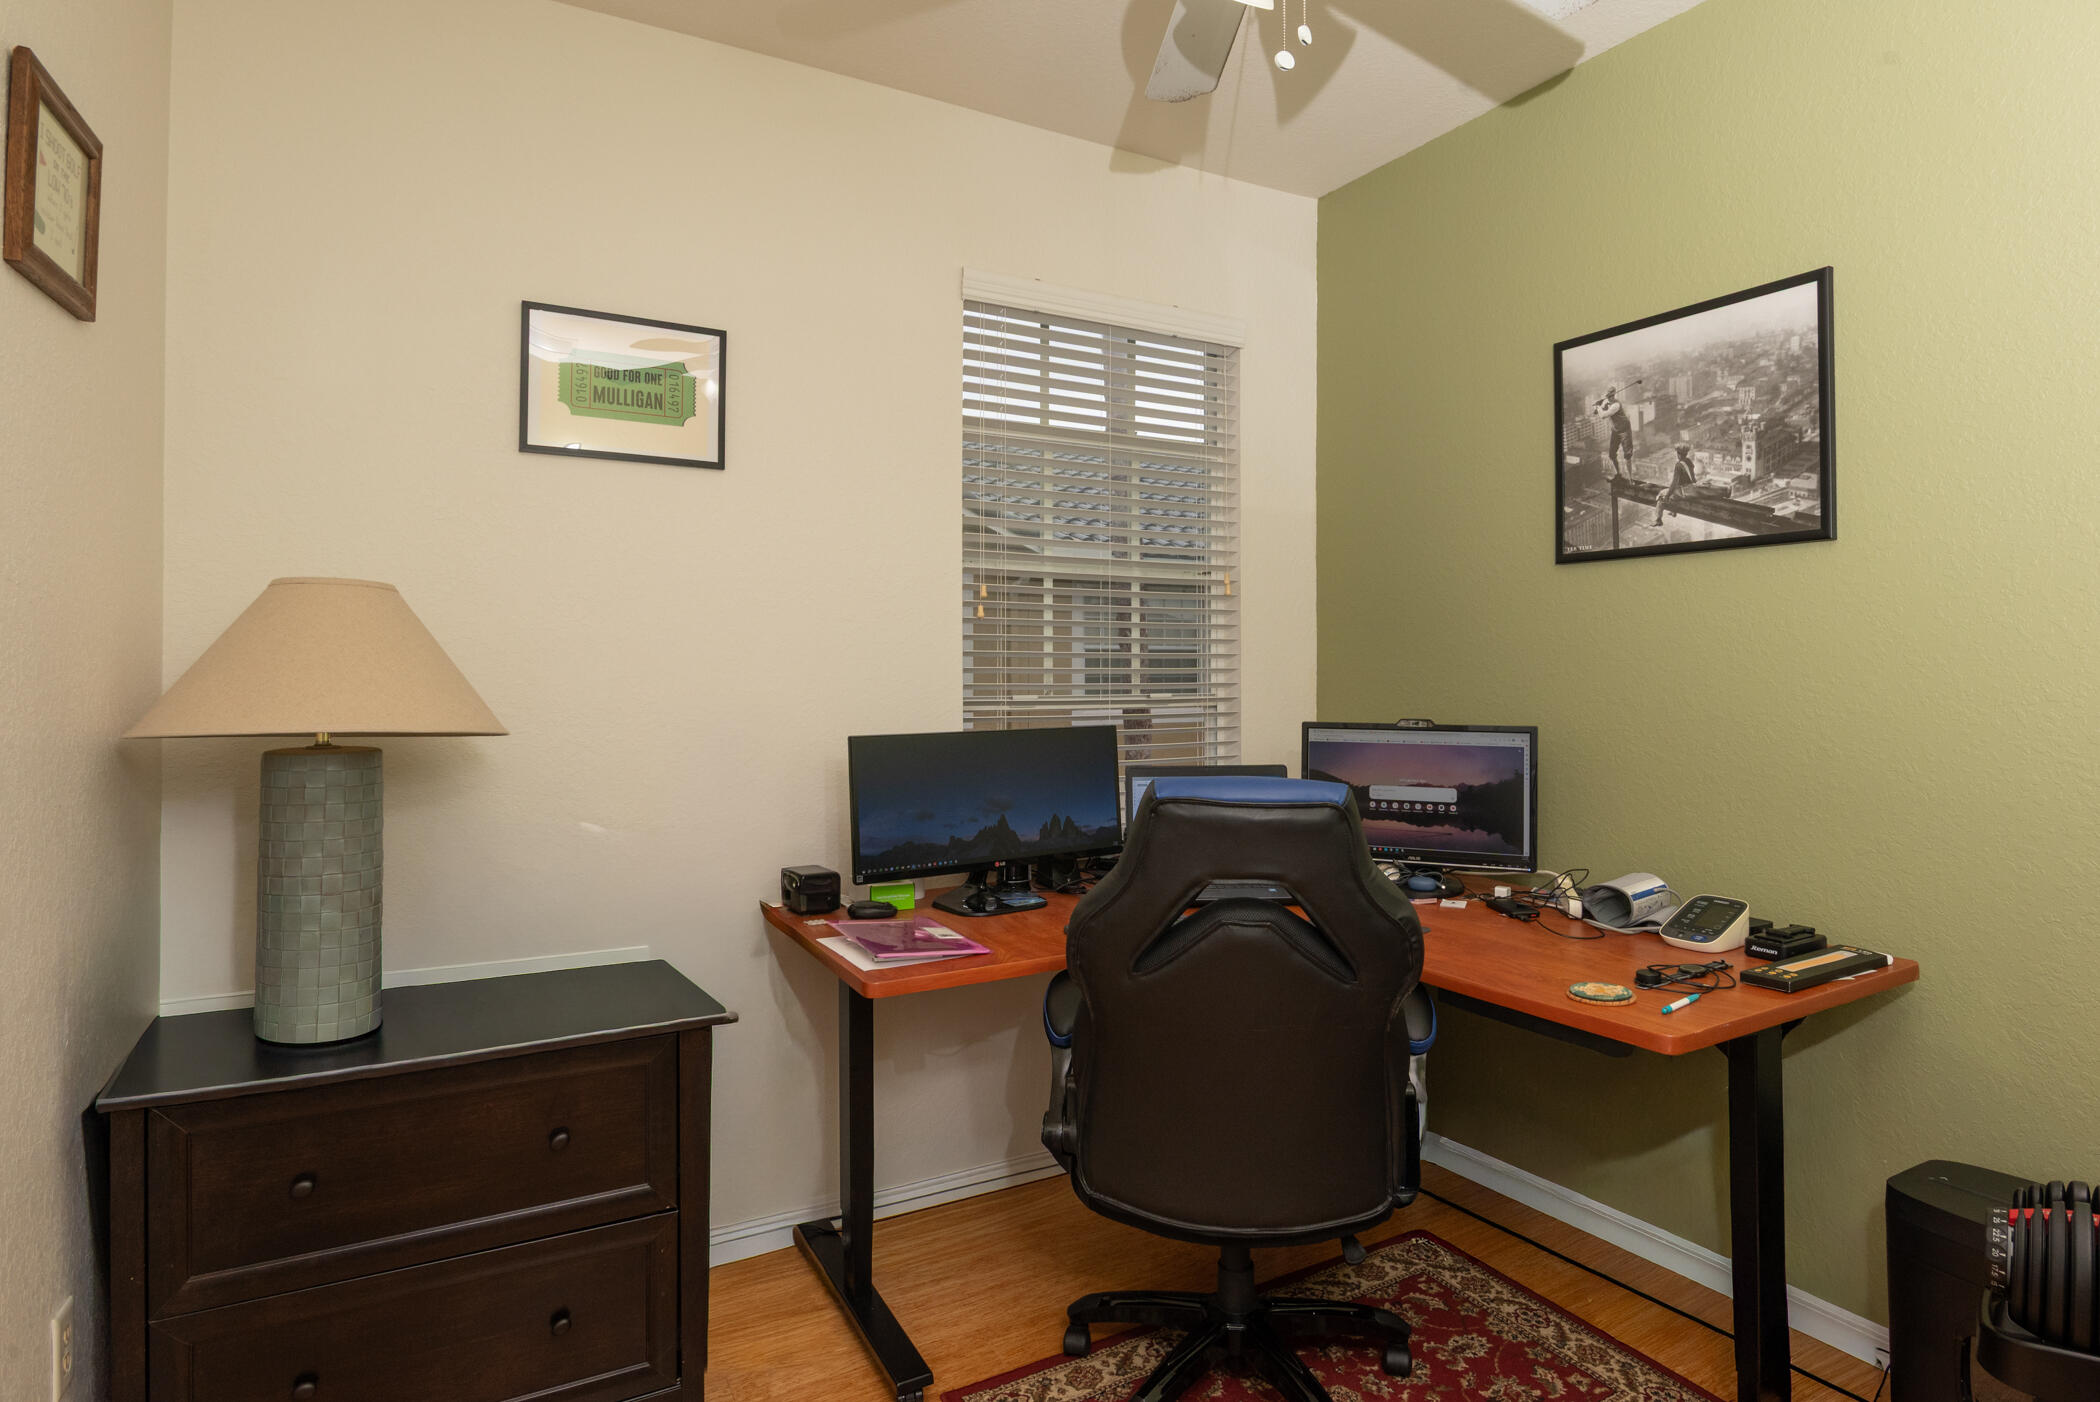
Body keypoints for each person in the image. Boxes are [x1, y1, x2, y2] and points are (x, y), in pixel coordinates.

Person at [1594, 387, 1635, 475]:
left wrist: (1598, 406)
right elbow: (1597, 412)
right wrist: (1600, 406)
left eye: (1612, 396)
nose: (1611, 398)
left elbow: (1603, 416)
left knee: (1628, 456)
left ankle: (1630, 478)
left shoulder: (1616, 405)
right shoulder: (1607, 402)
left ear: (1614, 395)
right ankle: (1618, 474)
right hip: (1616, 430)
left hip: (1624, 430)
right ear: (1606, 396)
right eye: (1609, 396)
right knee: (1612, 454)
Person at [1654, 444, 1698, 526]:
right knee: (1674, 493)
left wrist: (1667, 495)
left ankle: (1658, 520)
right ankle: (1673, 512)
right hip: (1692, 488)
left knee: (1662, 495)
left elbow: (1674, 482)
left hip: (1684, 491)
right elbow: (1692, 477)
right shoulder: (1688, 461)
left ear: (1679, 454)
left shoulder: (1678, 465)